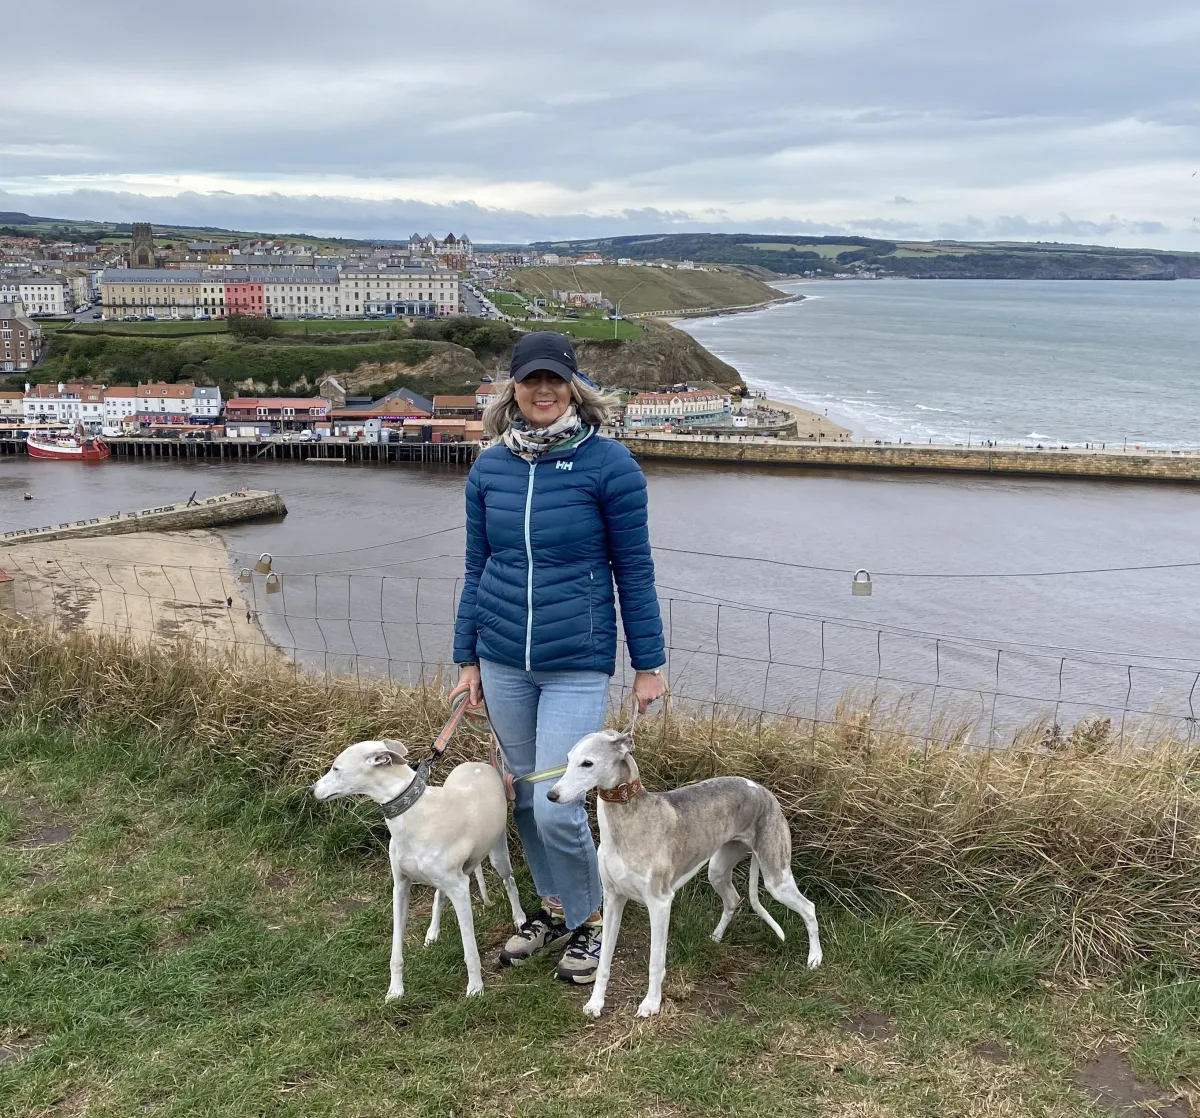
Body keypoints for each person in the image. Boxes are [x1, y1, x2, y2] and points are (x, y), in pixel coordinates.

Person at [454, 331, 666, 986]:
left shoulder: (610, 466)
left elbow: (634, 571)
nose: (542, 391)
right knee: (520, 799)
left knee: (555, 803)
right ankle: (555, 908)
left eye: (555, 380)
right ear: (511, 389)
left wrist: (649, 663)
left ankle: (593, 919)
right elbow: (475, 568)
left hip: (576, 660)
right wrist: (467, 659)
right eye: (529, 380)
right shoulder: (489, 468)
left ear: (574, 388)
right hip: (502, 659)